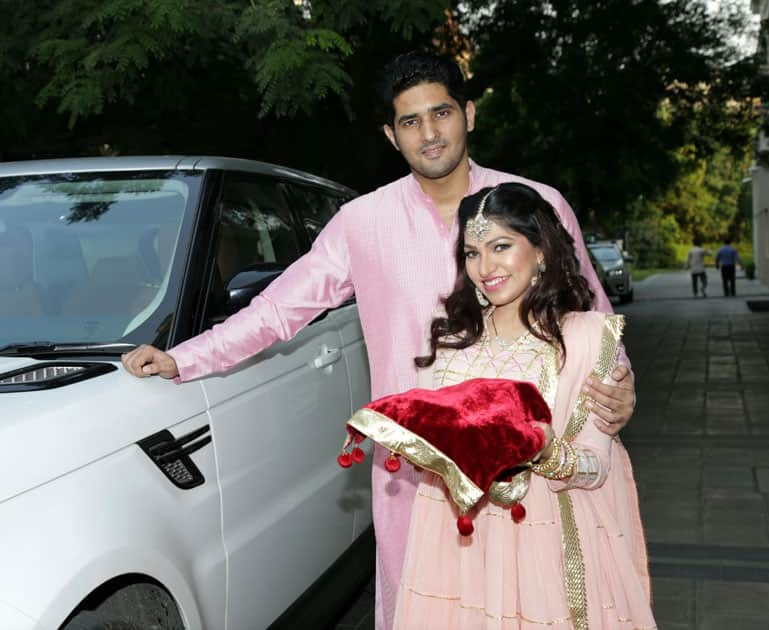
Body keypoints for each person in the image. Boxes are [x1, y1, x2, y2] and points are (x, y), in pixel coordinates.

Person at [122, 51, 637, 630]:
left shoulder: (533, 204)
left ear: (468, 113)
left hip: (531, 480)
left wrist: (621, 388)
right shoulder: (361, 223)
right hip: (414, 479)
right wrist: (182, 357)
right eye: (411, 122)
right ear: (392, 136)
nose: (430, 133)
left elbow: (592, 313)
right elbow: (277, 310)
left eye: (441, 113)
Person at [394, 183, 653, 629]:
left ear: (541, 251)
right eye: (472, 253)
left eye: (500, 246)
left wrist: (545, 450)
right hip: (459, 545)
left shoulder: (587, 337)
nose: (485, 267)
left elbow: (599, 465)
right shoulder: (450, 339)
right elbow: (435, 455)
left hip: (549, 541)